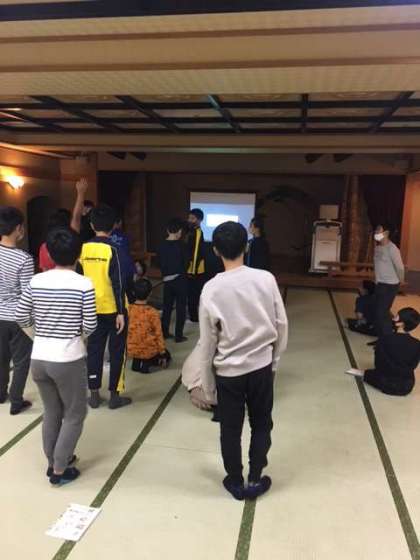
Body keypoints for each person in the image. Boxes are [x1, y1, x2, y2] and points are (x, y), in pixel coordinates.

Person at [199, 221, 288, 501]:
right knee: (262, 423)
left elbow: (207, 343)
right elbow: (281, 324)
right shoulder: (265, 279)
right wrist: (274, 361)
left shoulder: (211, 289)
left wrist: (207, 384)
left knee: (230, 428)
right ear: (246, 247)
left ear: (215, 251)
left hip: (228, 371)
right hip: (261, 366)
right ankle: (255, 476)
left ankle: (235, 481)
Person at [16, 228, 97, 486]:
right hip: (68, 359)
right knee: (75, 414)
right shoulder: (84, 284)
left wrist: (37, 336)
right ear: (79, 254)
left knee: (52, 411)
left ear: (49, 254)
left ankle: (52, 460)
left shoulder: (36, 281)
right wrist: (77, 338)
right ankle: (60, 469)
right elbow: (90, 324)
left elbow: (21, 315)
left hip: (39, 357)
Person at [78, 203, 131, 410]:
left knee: (94, 350)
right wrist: (121, 312)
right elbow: (120, 282)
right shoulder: (115, 249)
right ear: (113, 226)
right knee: (117, 351)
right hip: (114, 310)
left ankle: (93, 394)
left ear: (92, 225)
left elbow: (80, 279)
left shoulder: (83, 249)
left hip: (91, 309)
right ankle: (114, 396)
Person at [0, 207, 34, 415]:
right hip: (17, 318)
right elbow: (27, 295)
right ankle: (16, 401)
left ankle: (0, 393)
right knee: (21, 361)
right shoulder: (24, 259)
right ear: (18, 228)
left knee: (1, 358)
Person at [345, 308, 420, 396]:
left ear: (401, 324)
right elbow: (413, 366)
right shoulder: (417, 344)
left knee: (368, 374)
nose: (393, 318)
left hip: (386, 383)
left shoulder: (386, 338)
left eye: (396, 317)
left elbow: (378, 363)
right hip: (406, 386)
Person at [39, 178, 89, 272]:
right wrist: (81, 193)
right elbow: (76, 217)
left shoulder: (44, 247)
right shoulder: (71, 240)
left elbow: (45, 270)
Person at [127, 279, 171, 373]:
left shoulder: (128, 309)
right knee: (167, 355)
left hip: (131, 349)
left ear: (133, 292)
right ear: (150, 293)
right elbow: (159, 334)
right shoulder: (152, 312)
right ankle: (146, 365)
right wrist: (163, 353)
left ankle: (136, 363)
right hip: (148, 349)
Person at [372, 223, 405, 340]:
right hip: (380, 284)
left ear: (386, 233)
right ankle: (380, 338)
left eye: (378, 230)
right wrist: (376, 278)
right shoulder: (377, 247)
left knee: (382, 311)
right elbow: (377, 265)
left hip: (390, 285)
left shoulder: (392, 249)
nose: (376, 232)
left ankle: (388, 339)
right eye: (376, 230)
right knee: (378, 310)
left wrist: (401, 280)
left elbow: (400, 267)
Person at [158, 218, 188, 343]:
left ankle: (164, 333)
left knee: (167, 307)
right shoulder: (182, 245)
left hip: (167, 280)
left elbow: (159, 262)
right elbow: (186, 263)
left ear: (167, 230)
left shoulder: (161, 245)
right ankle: (178, 336)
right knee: (181, 308)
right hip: (180, 279)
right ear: (179, 231)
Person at [187, 208, 206, 322]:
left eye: (192, 218)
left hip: (195, 270)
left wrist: (192, 271)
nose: (189, 220)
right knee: (191, 294)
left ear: (199, 220)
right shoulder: (191, 231)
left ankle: (194, 317)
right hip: (191, 268)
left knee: (193, 294)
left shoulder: (198, 232)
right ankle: (192, 315)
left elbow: (195, 254)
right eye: (189, 218)